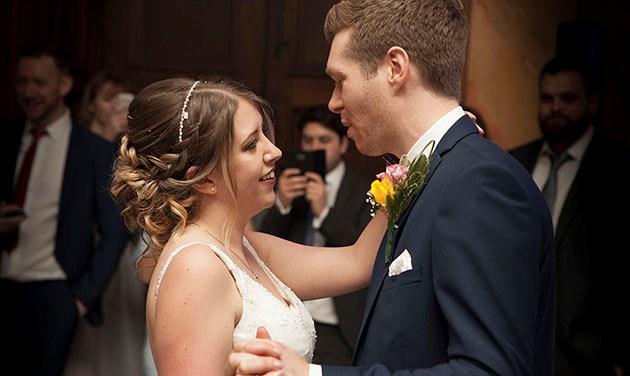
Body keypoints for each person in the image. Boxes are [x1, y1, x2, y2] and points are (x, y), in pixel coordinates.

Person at [229, 1, 555, 375]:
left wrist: (312, 375)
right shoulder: (434, 171)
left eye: (340, 80)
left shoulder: (478, 183)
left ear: (394, 68)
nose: (333, 101)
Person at [109, 76, 389, 374]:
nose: (275, 152)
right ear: (203, 179)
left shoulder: (250, 247)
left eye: (265, 137)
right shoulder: (196, 267)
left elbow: (359, 262)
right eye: (252, 144)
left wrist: (411, 155)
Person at [0, 42, 129, 375]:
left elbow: (114, 232)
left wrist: (81, 299)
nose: (28, 92)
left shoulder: (94, 151)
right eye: (22, 82)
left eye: (39, 83)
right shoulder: (4, 138)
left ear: (64, 85)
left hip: (55, 294)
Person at [509, 56, 630, 376]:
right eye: (547, 99)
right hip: (514, 345)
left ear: (592, 102)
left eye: (568, 99)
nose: (556, 108)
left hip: (587, 356)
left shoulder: (617, 171)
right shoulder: (513, 163)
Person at [259, 103, 372, 365]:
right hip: (290, 314)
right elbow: (263, 247)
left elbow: (364, 251)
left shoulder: (366, 190)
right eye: (308, 140)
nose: (315, 147)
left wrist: (324, 212)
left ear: (343, 145)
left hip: (339, 323)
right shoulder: (288, 183)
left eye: (324, 140)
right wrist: (282, 204)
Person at [64, 70, 148, 376]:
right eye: (107, 98)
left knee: (119, 349)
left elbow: (132, 212)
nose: (115, 107)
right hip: (79, 256)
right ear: (90, 105)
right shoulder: (72, 146)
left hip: (119, 259)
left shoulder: (127, 152)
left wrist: (121, 143)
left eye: (121, 100)